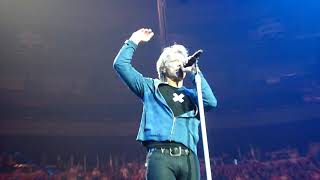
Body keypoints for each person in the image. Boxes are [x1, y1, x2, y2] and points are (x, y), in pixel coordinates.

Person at [113, 28, 217, 180]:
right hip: (161, 157)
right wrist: (134, 40)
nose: (179, 64)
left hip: (189, 158)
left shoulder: (192, 96)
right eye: (174, 61)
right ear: (163, 67)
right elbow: (121, 65)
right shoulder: (149, 87)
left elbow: (210, 102)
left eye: (181, 61)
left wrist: (196, 73)